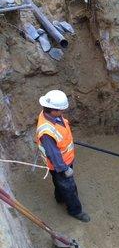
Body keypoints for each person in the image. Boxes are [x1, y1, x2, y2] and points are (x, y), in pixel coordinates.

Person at [35, 90, 90, 222]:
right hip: (60, 165)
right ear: (53, 110)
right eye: (61, 110)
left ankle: (59, 198)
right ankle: (75, 210)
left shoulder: (48, 114)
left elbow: (59, 139)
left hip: (65, 160)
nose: (63, 112)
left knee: (58, 182)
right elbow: (53, 154)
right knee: (69, 187)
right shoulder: (47, 131)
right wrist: (65, 169)